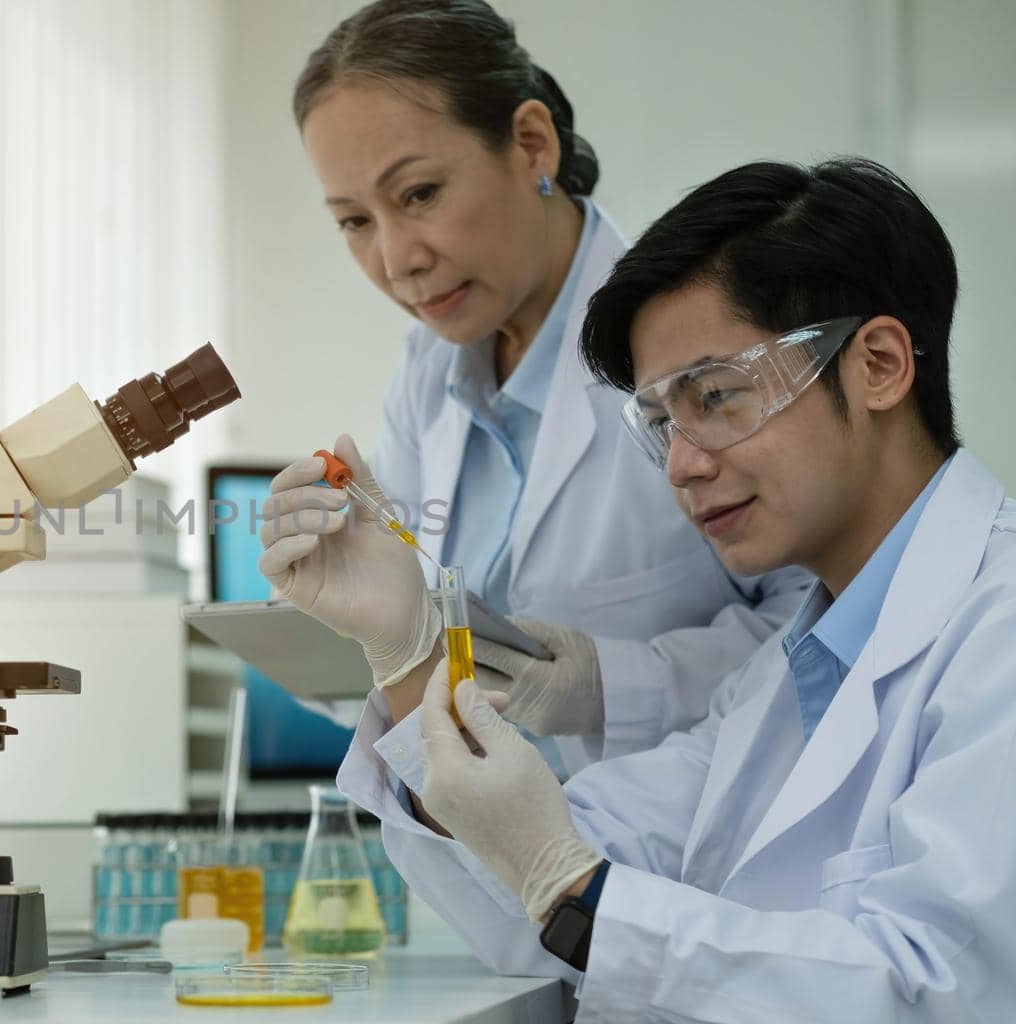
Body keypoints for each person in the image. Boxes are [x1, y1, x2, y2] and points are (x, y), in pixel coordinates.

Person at [368, 157, 1016, 1020]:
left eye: (717, 397)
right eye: (663, 422)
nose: (680, 463)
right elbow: (544, 883)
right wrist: (397, 646)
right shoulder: (787, 677)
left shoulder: (997, 628)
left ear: (881, 365)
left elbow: (928, 990)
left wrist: (574, 884)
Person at [268, 0, 808, 777]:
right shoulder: (428, 374)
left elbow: (830, 622)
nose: (396, 260)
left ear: (531, 144)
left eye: (419, 194)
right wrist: (359, 625)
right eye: (355, 221)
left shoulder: (704, 337)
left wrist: (610, 687)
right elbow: (426, 660)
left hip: (692, 867)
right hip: (491, 864)